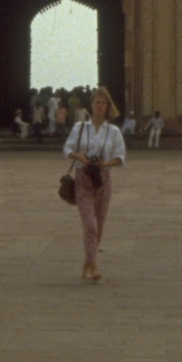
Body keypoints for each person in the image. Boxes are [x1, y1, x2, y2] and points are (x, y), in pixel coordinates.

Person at [65, 88, 127, 282]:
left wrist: (104, 164)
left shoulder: (114, 131)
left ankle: (87, 262)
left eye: (103, 102)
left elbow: (120, 157)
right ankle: (95, 265)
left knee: (99, 224)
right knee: (90, 224)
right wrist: (78, 156)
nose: (100, 105)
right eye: (97, 102)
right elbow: (67, 149)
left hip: (103, 179)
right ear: (91, 104)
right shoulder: (80, 128)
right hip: (83, 177)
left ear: (107, 106)